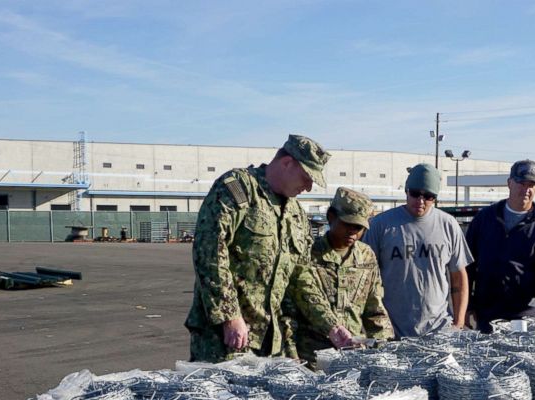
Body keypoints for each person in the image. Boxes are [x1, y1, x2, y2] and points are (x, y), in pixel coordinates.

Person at [185, 134, 330, 362]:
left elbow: (302, 277)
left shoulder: (296, 215)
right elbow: (210, 251)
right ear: (287, 163)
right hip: (225, 339)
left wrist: (331, 325)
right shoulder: (238, 188)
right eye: (307, 177)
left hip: (272, 340)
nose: (309, 187)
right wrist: (229, 316)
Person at [362, 163, 472, 337]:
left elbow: (459, 277)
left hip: (439, 329)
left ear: (435, 198)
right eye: (415, 194)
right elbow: (364, 279)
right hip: (392, 331)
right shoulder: (380, 226)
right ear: (406, 191)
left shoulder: (448, 225)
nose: (420, 201)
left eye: (428, 196)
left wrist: (458, 323)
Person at [289, 187, 393, 365]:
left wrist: (384, 350)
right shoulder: (308, 255)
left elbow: (375, 310)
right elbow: (289, 311)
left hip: (352, 355)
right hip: (311, 357)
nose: (353, 232)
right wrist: (291, 355)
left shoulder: (366, 256)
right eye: (347, 224)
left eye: (359, 227)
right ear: (331, 217)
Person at [465, 159, 535, 332]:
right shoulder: (485, 219)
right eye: (521, 183)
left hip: (526, 316)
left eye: (532, 184)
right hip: (487, 313)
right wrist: (467, 305)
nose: (526, 189)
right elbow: (467, 266)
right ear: (509, 183)